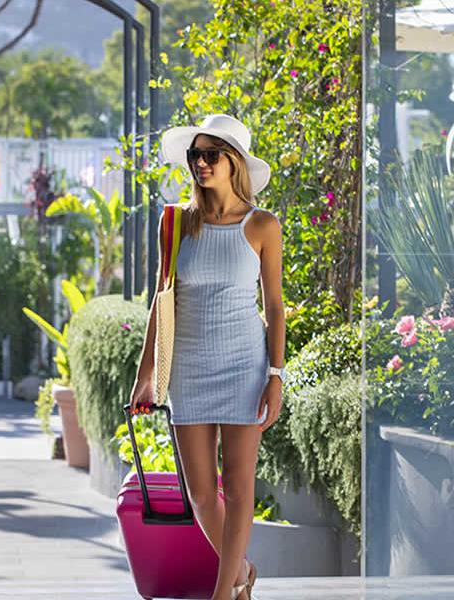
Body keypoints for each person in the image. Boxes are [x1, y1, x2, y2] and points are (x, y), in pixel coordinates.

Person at [130, 114, 284, 600]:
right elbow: (162, 297)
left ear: (234, 162)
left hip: (244, 367)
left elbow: (275, 306)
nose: (200, 163)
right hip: (190, 370)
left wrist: (275, 375)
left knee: (239, 490)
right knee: (201, 495)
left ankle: (223, 595)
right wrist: (146, 376)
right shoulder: (175, 223)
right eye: (195, 154)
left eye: (210, 154)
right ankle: (241, 574)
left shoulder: (262, 226)